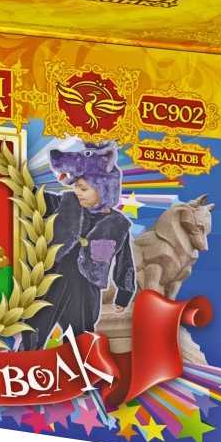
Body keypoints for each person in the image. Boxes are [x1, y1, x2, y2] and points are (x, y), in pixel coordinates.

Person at [21, 141, 135, 350]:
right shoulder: (64, 204)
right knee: (34, 326)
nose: (78, 192)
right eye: (75, 187)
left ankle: (76, 364)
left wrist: (124, 293)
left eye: (83, 189)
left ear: (103, 190)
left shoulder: (118, 225)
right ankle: (25, 360)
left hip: (86, 289)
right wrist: (23, 185)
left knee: (81, 336)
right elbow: (35, 199)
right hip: (52, 279)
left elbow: (124, 262)